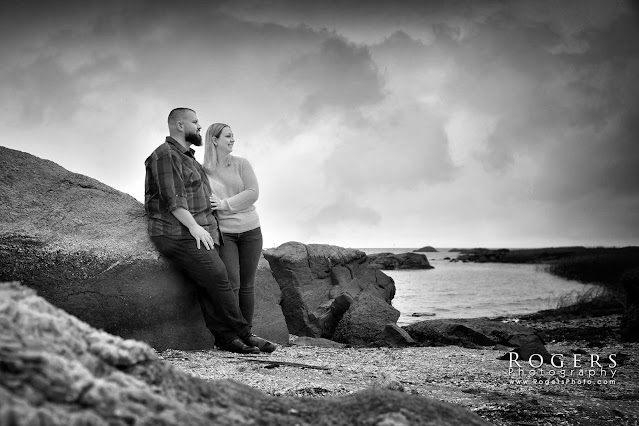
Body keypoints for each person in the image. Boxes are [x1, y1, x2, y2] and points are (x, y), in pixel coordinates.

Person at [144, 108, 266, 354]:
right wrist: (194, 227)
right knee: (219, 277)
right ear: (180, 126)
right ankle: (244, 333)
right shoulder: (166, 155)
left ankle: (226, 340)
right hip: (179, 231)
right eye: (195, 122)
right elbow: (174, 199)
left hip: (207, 229)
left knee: (209, 282)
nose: (200, 126)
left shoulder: (188, 157)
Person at [203, 122, 276, 353]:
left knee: (247, 286)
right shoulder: (203, 169)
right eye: (228, 136)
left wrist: (224, 204)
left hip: (251, 230)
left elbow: (252, 193)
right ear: (214, 140)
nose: (233, 140)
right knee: (231, 285)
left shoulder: (242, 164)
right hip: (225, 234)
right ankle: (233, 336)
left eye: (233, 136)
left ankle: (247, 334)